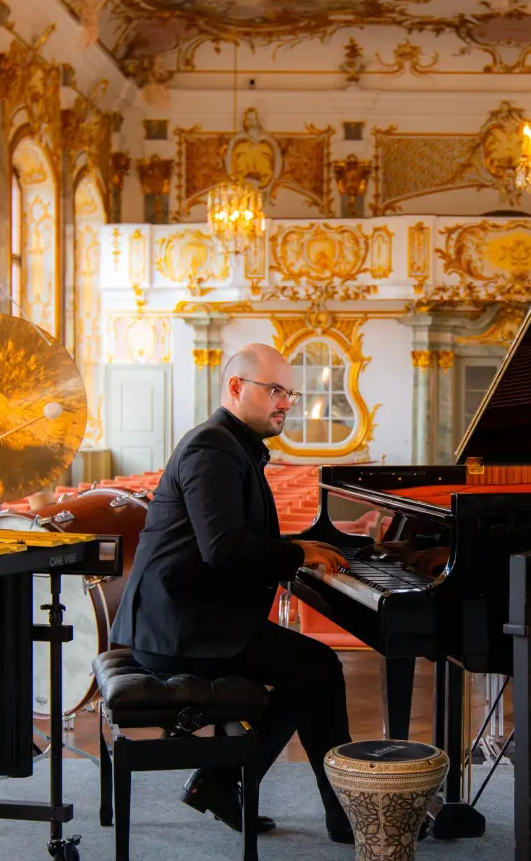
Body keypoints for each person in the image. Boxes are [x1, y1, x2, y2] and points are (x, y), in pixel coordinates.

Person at [109, 343, 358, 843]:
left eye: (290, 392)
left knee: (309, 674)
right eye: (275, 391)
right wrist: (298, 555)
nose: (285, 401)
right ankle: (336, 811)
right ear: (237, 388)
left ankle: (223, 781)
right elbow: (224, 549)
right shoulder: (213, 447)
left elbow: (236, 542)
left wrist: (303, 548)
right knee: (319, 669)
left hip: (192, 616)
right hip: (179, 628)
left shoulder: (231, 445)